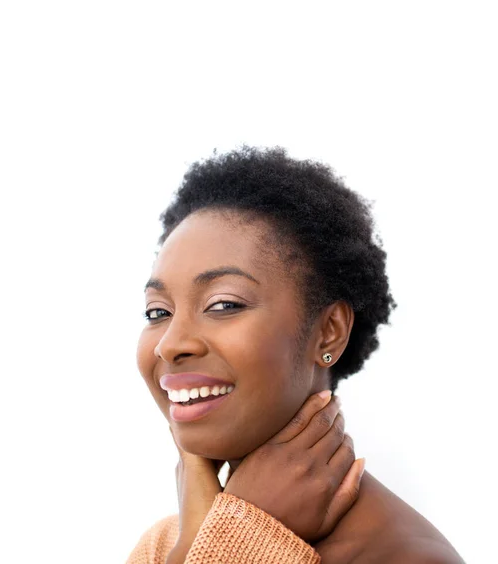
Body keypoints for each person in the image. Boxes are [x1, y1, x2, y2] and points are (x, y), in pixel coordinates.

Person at [127, 146, 465, 563]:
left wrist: (239, 536)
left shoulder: (404, 557)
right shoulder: (167, 541)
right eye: (157, 312)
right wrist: (205, 532)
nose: (170, 344)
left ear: (329, 333)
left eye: (224, 304)